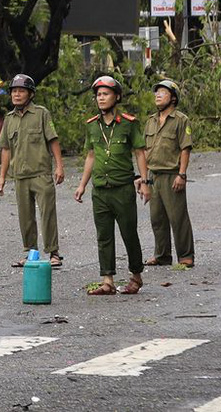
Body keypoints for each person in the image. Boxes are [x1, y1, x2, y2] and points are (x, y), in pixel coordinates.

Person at [72, 74, 150, 296]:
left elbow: (140, 153)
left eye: (106, 94)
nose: (101, 98)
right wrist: (82, 185)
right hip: (100, 190)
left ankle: (136, 275)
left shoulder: (129, 124)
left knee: (129, 233)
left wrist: (144, 182)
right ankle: (107, 280)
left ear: (116, 97)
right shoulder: (92, 126)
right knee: (104, 235)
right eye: (98, 95)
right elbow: (90, 156)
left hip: (123, 189)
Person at [0, 72, 64, 267]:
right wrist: (2, 177)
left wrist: (59, 166)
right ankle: (30, 253)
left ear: (30, 94)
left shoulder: (41, 114)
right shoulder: (9, 119)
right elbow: (6, 149)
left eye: (21, 91)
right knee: (25, 217)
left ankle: (53, 253)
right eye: (14, 91)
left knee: (47, 214)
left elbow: (53, 140)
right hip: (20, 176)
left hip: (41, 173)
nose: (16, 95)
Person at [144, 77, 195, 269]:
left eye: (162, 92)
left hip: (172, 174)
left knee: (178, 217)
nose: (157, 95)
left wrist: (181, 174)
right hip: (153, 174)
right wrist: (143, 177)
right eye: (156, 92)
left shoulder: (181, 120)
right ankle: (162, 255)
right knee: (157, 218)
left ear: (173, 98)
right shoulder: (150, 121)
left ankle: (186, 255)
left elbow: (185, 148)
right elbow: (144, 151)